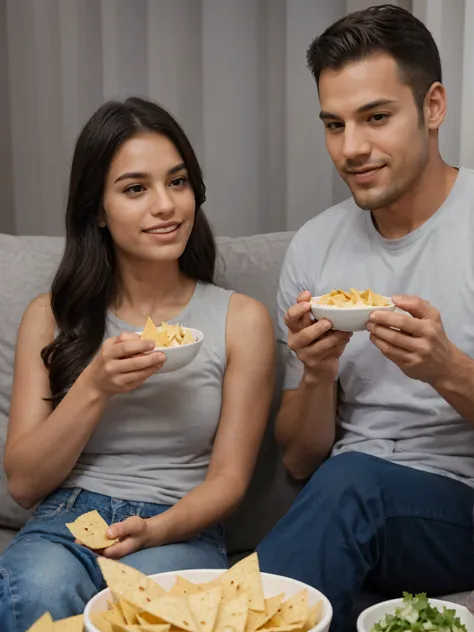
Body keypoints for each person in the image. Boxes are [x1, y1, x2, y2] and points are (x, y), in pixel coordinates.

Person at [0, 97, 275, 630]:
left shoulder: (241, 320)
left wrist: (159, 529)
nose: (166, 205)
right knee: (33, 592)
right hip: (66, 521)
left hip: (179, 523)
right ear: (97, 211)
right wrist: (95, 385)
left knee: (156, 615)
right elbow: (24, 484)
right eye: (135, 189)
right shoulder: (51, 317)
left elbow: (228, 478)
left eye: (177, 182)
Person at [256, 5, 474, 631]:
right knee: (346, 488)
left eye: (376, 117)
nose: (351, 148)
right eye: (334, 124)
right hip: (351, 503)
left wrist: (448, 368)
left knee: (353, 485)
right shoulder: (315, 248)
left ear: (433, 107)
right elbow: (300, 460)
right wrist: (317, 372)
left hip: (457, 506)